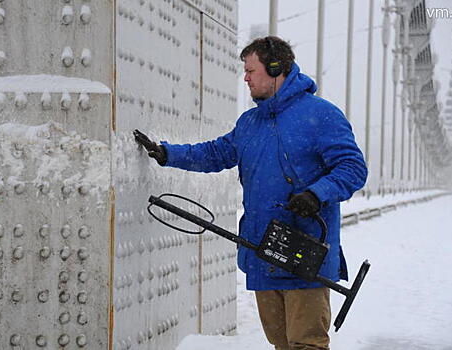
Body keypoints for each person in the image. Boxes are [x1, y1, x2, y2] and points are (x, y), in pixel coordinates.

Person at [134, 36, 367, 350]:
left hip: (304, 252)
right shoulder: (249, 123)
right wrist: (166, 153)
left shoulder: (321, 116)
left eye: (250, 70)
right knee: (281, 343)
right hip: (263, 249)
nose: (245, 78)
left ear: (275, 69)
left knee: (307, 344)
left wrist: (315, 194)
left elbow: (353, 167)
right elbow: (216, 154)